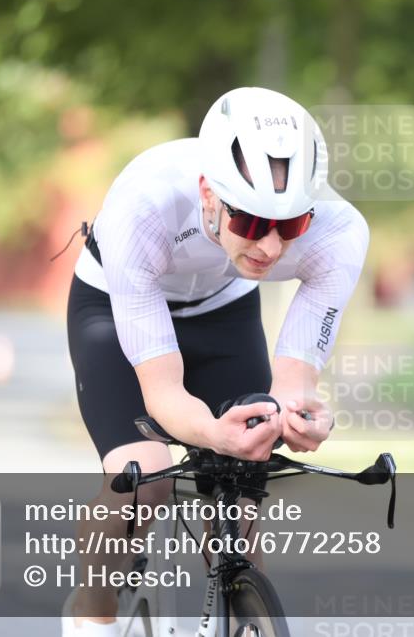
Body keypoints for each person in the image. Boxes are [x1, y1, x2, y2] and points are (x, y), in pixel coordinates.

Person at [62, 87, 369, 635]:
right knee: (144, 479)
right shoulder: (143, 205)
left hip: (222, 311)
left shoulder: (339, 232)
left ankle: (237, 606)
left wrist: (299, 413)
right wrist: (211, 432)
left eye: (291, 225)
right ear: (209, 193)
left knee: (240, 493)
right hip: (115, 306)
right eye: (252, 222)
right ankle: (92, 617)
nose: (271, 247)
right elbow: (163, 395)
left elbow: (294, 381)